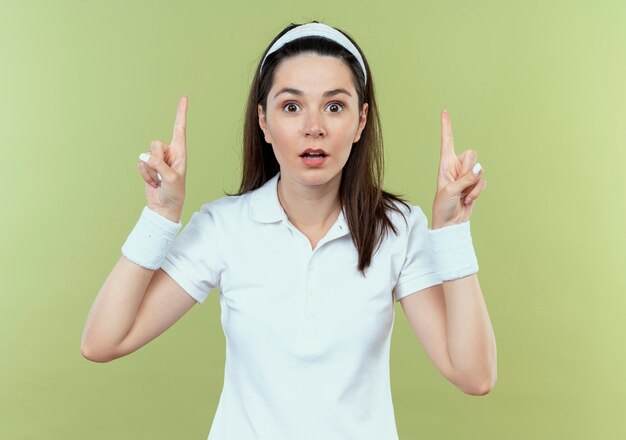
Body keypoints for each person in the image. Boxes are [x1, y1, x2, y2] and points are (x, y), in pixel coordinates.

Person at [81, 21, 497, 440]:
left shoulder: (397, 227)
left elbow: (474, 375)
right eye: (291, 106)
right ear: (263, 120)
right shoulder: (224, 227)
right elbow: (102, 342)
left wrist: (452, 231)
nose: (313, 126)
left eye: (334, 106)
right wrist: (160, 217)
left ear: (360, 121)